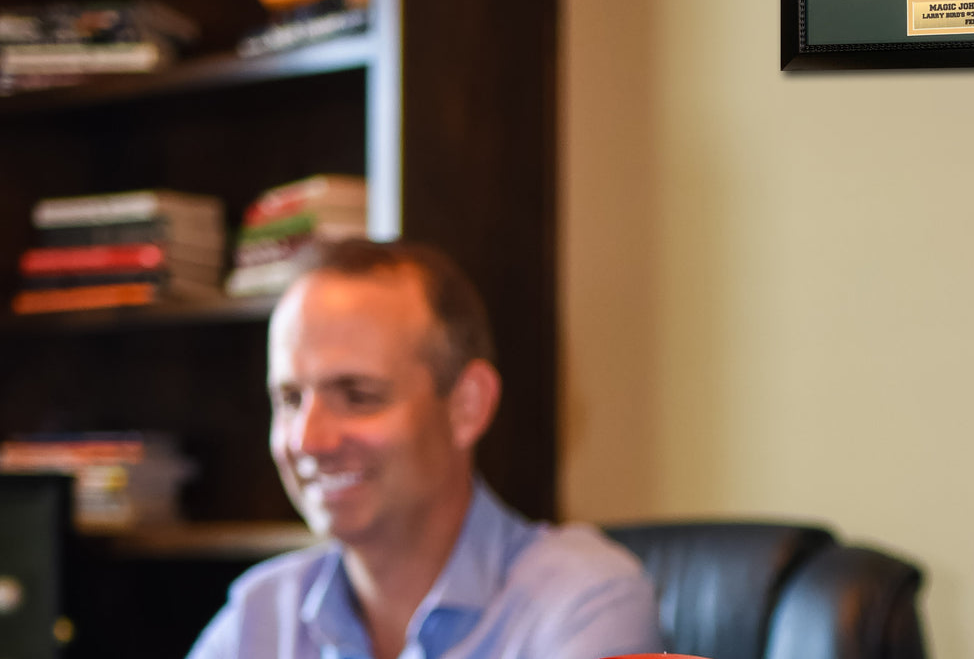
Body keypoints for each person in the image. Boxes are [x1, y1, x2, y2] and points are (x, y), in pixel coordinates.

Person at [187, 239, 661, 659]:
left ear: (466, 407)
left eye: (357, 396)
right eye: (290, 399)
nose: (307, 441)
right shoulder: (261, 614)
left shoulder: (583, 601)